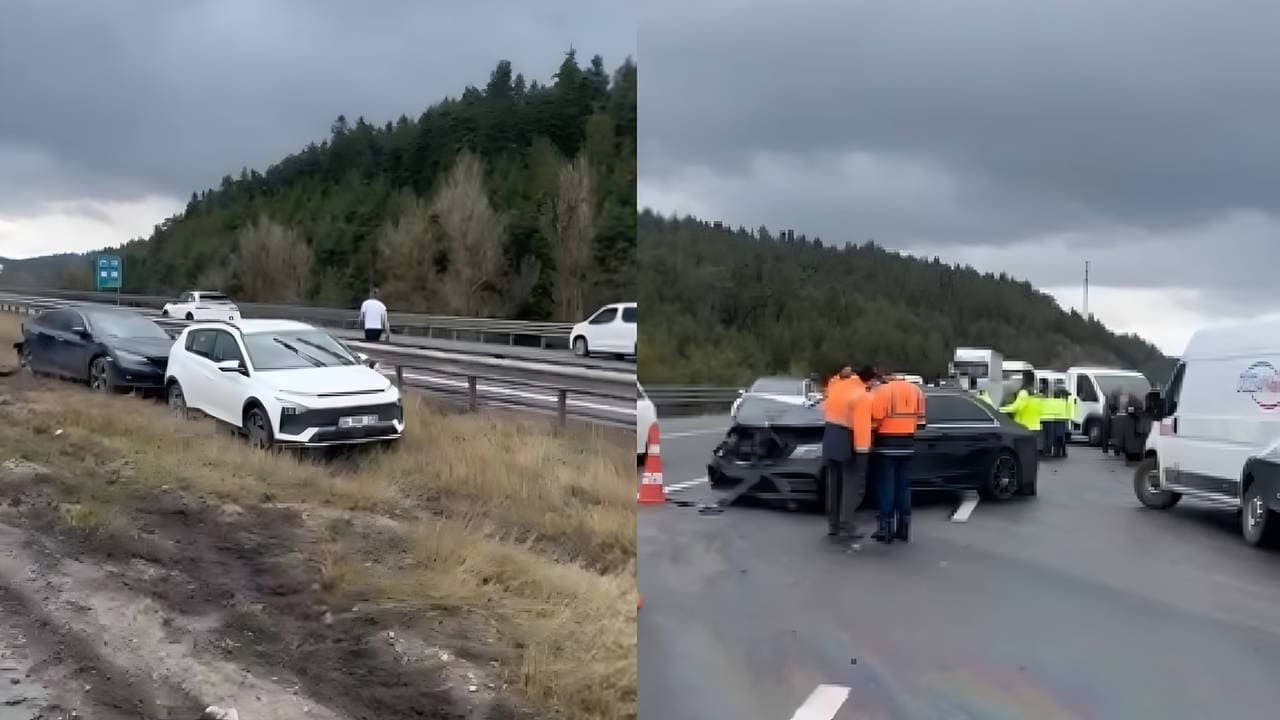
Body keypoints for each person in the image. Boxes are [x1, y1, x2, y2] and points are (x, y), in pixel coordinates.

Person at [869, 371, 926, 544]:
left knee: (886, 486)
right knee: (903, 486)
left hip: (886, 444)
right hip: (908, 443)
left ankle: (885, 528)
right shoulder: (916, 391)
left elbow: (875, 418)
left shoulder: (884, 391)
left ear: (887, 377)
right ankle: (903, 528)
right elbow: (921, 423)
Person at [821, 366, 858, 537]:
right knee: (849, 483)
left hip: (830, 434)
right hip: (845, 434)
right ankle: (846, 523)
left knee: (832, 483)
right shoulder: (854, 385)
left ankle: (833, 524)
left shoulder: (833, 385)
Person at [1000, 371, 1042, 443]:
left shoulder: (1024, 393)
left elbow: (1017, 407)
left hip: (1024, 426)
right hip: (1034, 425)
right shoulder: (1037, 394)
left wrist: (1001, 409)